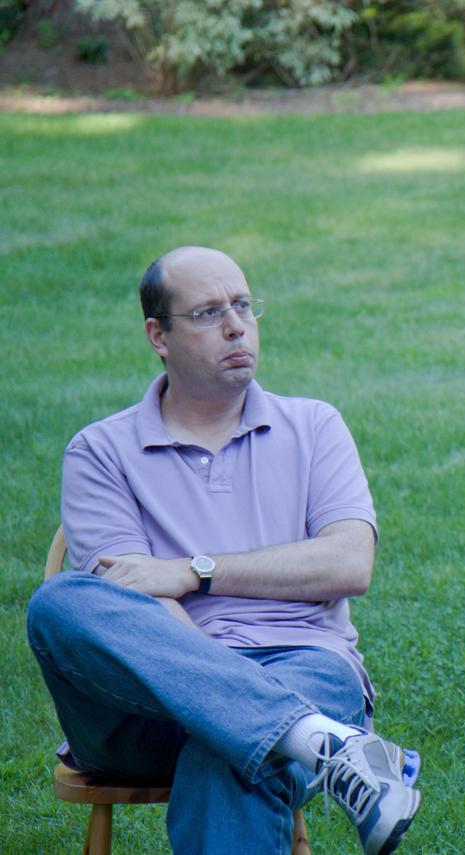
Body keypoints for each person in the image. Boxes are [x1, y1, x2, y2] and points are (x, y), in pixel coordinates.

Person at [27, 246, 421, 855]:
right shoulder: (100, 451)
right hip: (147, 704)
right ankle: (322, 743)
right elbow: (130, 595)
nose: (237, 326)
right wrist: (224, 690)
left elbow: (349, 563)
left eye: (242, 305)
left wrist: (193, 572)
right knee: (60, 604)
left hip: (302, 664)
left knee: (229, 759)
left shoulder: (314, 426)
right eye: (209, 313)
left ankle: (291, 735)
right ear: (158, 335)